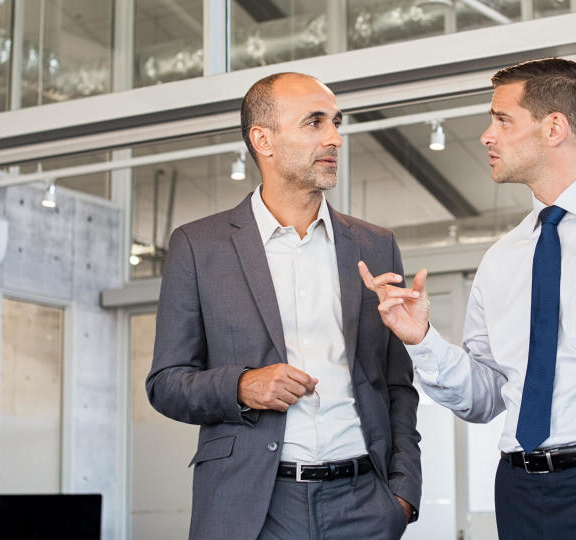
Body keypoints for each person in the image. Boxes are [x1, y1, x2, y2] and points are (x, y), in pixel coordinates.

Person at [359, 58, 576, 539]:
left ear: (554, 127)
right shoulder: (503, 257)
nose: (486, 136)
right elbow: (485, 398)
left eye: (502, 119)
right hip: (516, 492)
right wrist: (422, 339)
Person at [146, 72, 421, 540]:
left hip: (365, 505)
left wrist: (402, 494)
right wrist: (241, 386)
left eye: (336, 122)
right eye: (314, 123)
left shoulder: (376, 245)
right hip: (251, 508)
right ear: (263, 140)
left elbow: (397, 383)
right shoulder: (199, 245)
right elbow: (166, 383)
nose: (335, 137)